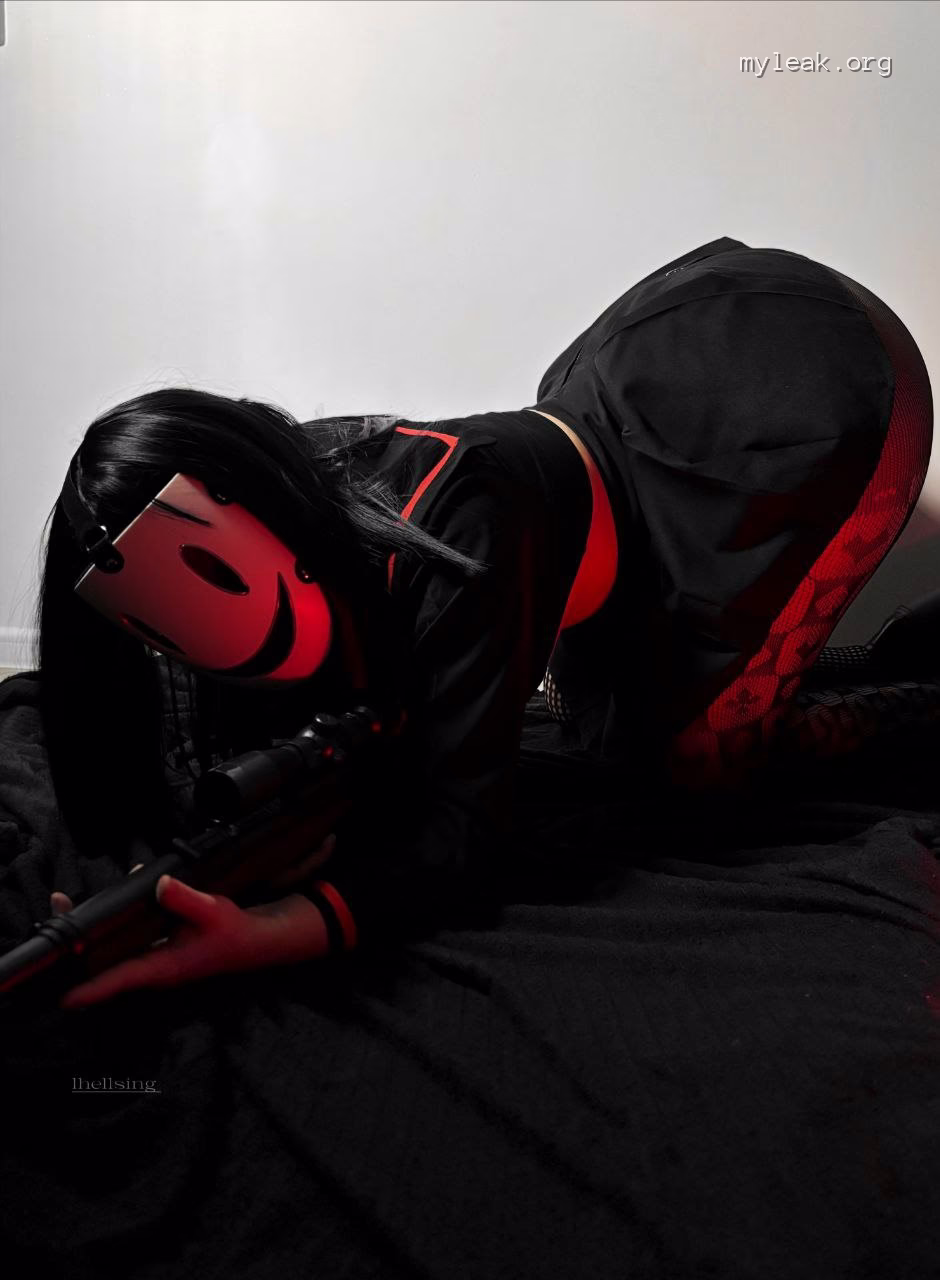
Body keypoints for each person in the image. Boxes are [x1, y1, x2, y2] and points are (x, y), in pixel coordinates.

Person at [35, 235, 933, 1009]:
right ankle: (838, 669)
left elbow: (463, 834)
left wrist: (279, 930)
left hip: (800, 387)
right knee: (613, 728)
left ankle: (921, 690)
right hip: (625, 403)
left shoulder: (451, 524)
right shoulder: (283, 496)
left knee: (698, 774)